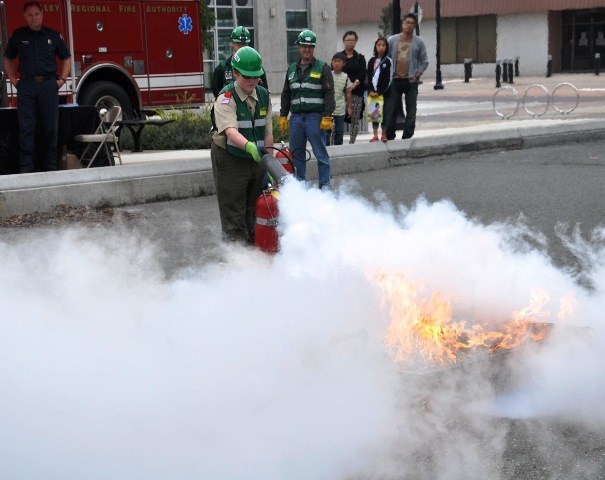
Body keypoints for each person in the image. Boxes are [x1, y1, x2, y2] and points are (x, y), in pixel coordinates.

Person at [210, 46, 273, 245]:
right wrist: (250, 147)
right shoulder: (226, 98)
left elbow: (268, 133)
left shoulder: (264, 95)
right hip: (230, 158)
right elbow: (231, 132)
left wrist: (269, 163)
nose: (252, 81)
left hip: (255, 157)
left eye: (256, 76)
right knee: (234, 214)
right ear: (235, 73)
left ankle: (252, 258)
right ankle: (236, 265)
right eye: (247, 76)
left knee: (254, 210)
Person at [3, 1, 71, 173]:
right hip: (26, 85)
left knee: (50, 128)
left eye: (36, 14)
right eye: (30, 15)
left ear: (42, 14)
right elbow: (7, 58)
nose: (34, 18)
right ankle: (26, 169)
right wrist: (12, 79)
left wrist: (62, 79)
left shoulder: (53, 36)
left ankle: (50, 167)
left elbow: (66, 57)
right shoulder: (18, 36)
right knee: (26, 128)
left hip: (48, 85)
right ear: (25, 17)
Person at [279, 29, 335, 189]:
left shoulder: (322, 67)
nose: (307, 49)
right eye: (304, 46)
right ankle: (299, 188)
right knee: (296, 156)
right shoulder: (291, 69)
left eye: (310, 46)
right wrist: (283, 114)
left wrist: (327, 115)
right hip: (296, 119)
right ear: (298, 47)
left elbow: (329, 93)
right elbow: (286, 93)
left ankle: (325, 188)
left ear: (314, 48)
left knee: (321, 154)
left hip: (315, 118)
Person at [385, 13, 428, 140]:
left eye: (412, 24)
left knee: (411, 110)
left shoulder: (419, 41)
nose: (410, 25)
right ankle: (390, 136)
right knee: (391, 110)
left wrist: (418, 74)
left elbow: (424, 61)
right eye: (407, 23)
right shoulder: (392, 40)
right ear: (402, 24)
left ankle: (407, 136)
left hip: (411, 81)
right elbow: (385, 59)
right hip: (394, 80)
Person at [211, 26, 268, 98]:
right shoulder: (223, 67)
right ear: (232, 43)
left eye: (244, 44)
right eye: (239, 44)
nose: (242, 47)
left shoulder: (257, 68)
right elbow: (216, 90)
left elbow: (263, 90)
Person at [340, 31, 366, 144]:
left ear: (355, 42)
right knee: (338, 117)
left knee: (354, 118)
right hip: (341, 92)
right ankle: (336, 141)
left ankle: (352, 141)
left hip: (356, 91)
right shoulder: (339, 57)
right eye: (347, 40)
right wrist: (346, 87)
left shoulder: (360, 58)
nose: (350, 42)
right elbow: (334, 71)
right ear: (343, 42)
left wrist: (353, 85)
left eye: (352, 40)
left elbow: (362, 73)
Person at [366, 37, 392, 142]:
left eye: (383, 45)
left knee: (384, 113)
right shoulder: (371, 61)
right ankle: (375, 135)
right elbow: (368, 76)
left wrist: (379, 92)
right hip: (373, 93)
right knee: (375, 114)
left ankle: (384, 134)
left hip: (384, 93)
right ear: (375, 47)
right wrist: (371, 91)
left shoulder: (388, 61)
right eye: (379, 45)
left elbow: (388, 79)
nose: (381, 48)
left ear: (386, 47)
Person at [325, 52, 352, 146]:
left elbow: (348, 93)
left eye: (339, 61)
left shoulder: (345, 77)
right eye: (335, 61)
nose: (336, 63)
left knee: (339, 131)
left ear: (343, 63)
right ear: (332, 62)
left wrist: (349, 107)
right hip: (328, 108)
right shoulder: (328, 75)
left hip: (340, 109)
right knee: (326, 130)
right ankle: (326, 148)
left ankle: (338, 148)